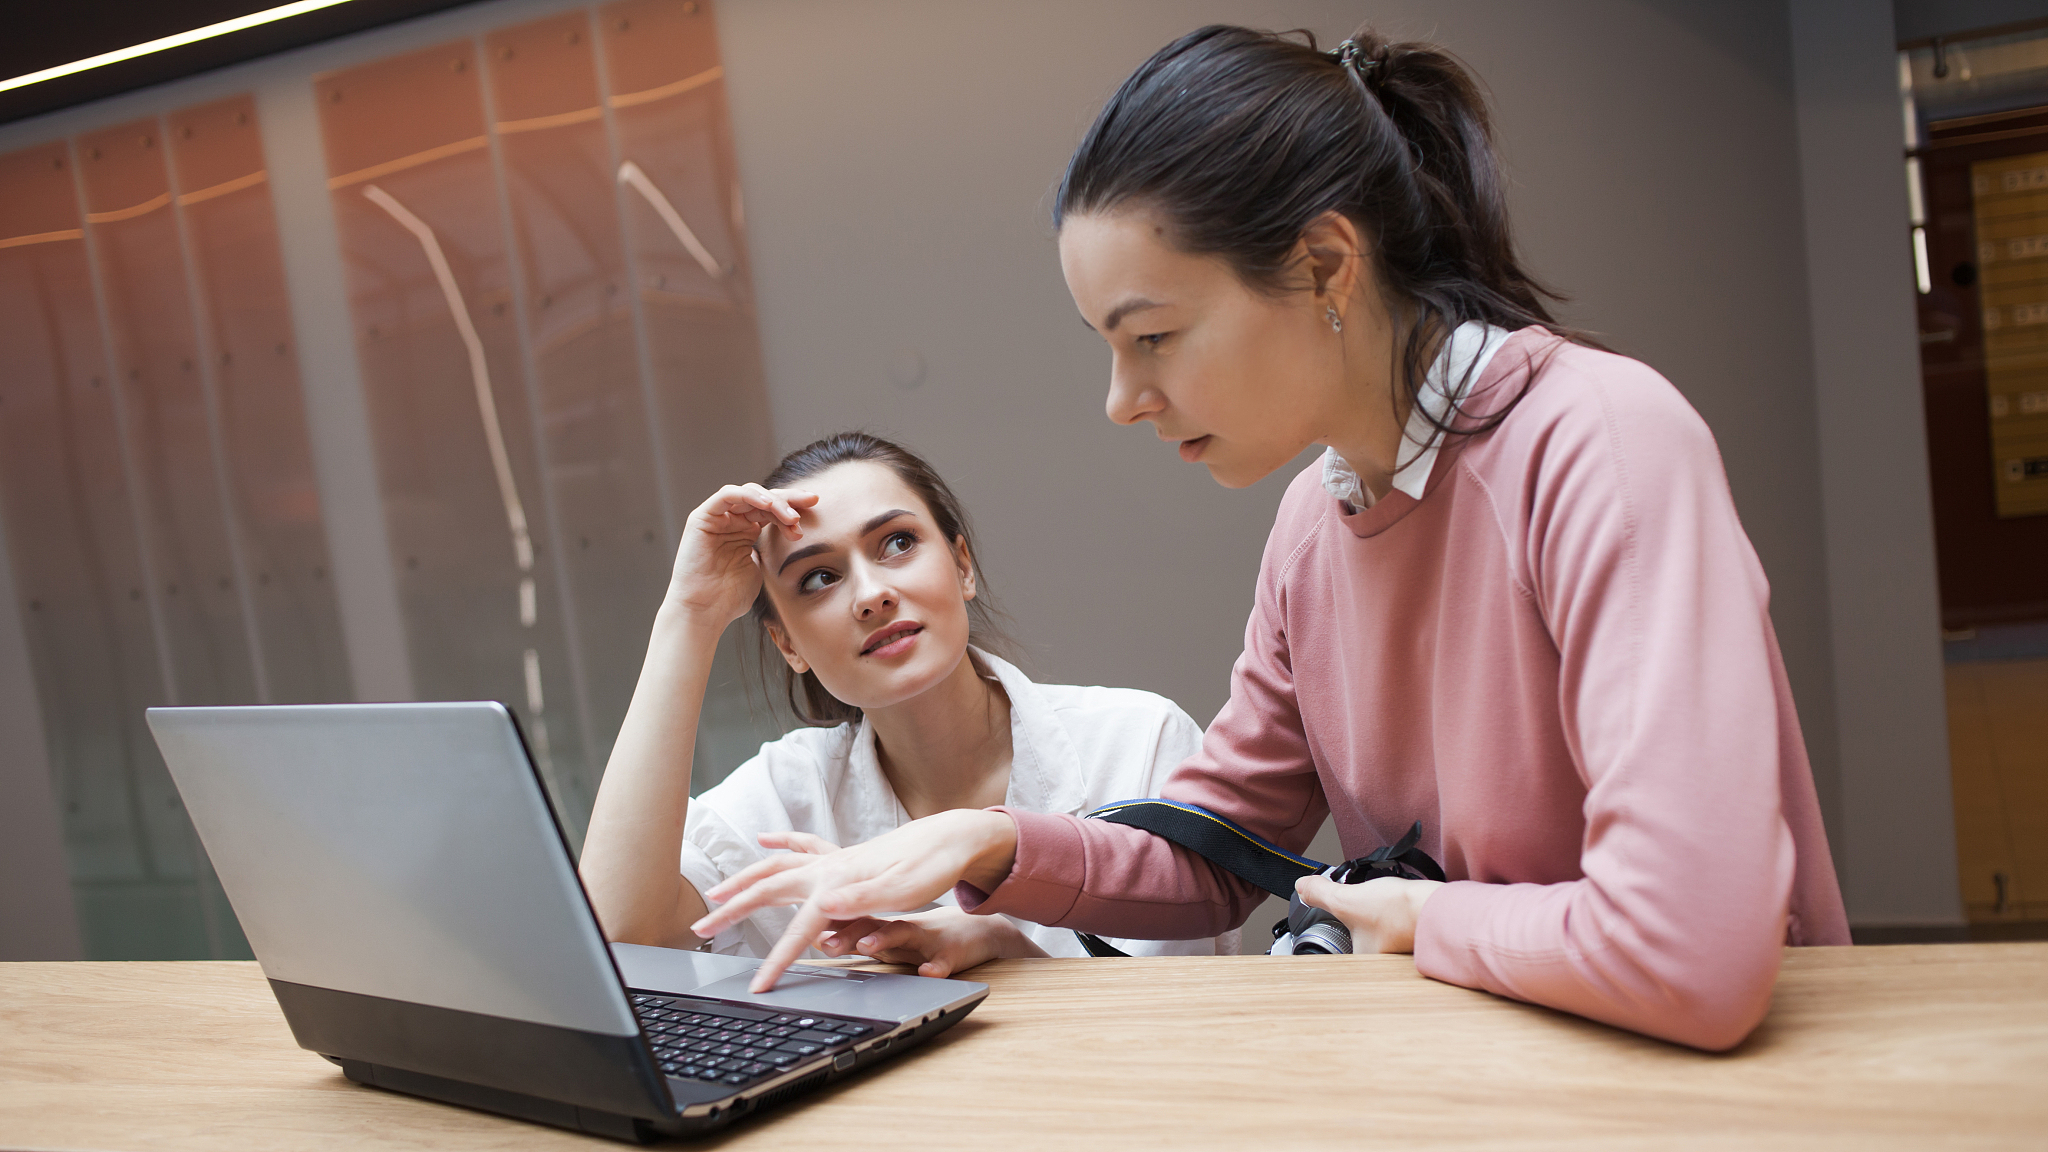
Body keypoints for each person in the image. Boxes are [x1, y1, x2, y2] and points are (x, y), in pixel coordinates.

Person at [687, 25, 1850, 1049]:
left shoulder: (1598, 441)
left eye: (1151, 337)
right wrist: (983, 846)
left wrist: (1424, 919)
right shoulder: (1313, 523)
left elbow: (1686, 950)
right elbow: (1217, 849)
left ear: (1323, 265)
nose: (1121, 399)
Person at [579, 431, 1237, 975]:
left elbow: (1193, 1024)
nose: (871, 595)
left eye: (897, 543)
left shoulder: (1139, 741)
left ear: (963, 565)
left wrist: (1016, 959)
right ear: (788, 644)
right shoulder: (784, 796)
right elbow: (619, 931)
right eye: (819, 577)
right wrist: (689, 615)